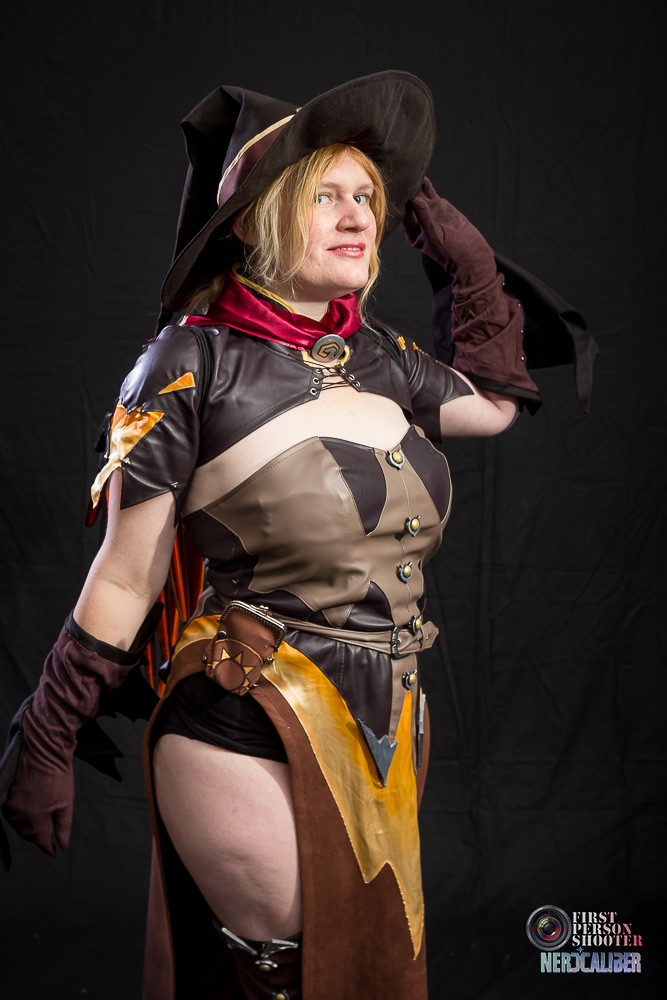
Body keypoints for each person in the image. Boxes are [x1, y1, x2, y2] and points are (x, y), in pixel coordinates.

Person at [0, 71, 593, 1000]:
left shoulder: (381, 356)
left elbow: (491, 404)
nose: (358, 217)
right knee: (288, 969)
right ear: (254, 223)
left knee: (363, 965)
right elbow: (126, 577)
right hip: (243, 708)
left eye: (368, 197)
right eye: (325, 196)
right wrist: (47, 731)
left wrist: (467, 263)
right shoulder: (186, 364)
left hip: (386, 712)